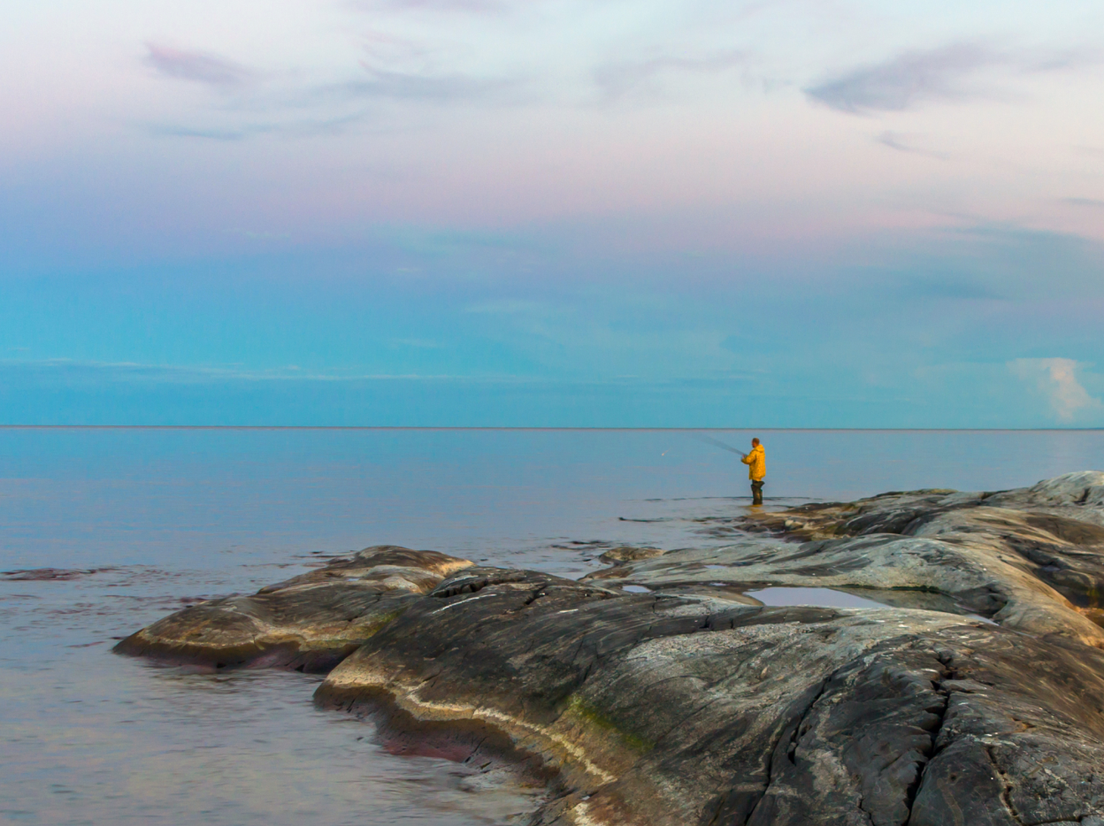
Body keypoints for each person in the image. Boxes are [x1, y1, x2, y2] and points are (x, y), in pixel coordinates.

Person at [740, 438, 766, 505]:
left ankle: (757, 503)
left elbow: (748, 460)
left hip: (756, 472)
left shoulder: (755, 451)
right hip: (761, 472)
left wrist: (743, 459)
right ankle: (760, 502)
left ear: (754, 443)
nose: (751, 444)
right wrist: (748, 457)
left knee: (755, 488)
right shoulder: (761, 451)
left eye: (752, 443)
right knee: (758, 488)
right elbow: (753, 458)